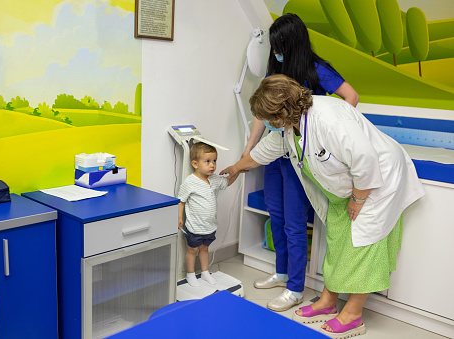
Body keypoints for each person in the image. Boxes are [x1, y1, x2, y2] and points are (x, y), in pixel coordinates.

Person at [221, 74, 424, 338]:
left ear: (283, 110)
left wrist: (358, 198)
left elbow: (366, 161)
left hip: (378, 184)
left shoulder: (330, 119)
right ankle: (328, 302)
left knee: (363, 246)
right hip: (349, 187)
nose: (269, 124)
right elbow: (264, 152)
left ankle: (353, 316)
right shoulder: (290, 126)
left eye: (270, 118)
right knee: (338, 240)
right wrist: (236, 168)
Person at [247, 13, 359, 313]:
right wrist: (249, 149)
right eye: (273, 46)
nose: (275, 52)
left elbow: (351, 97)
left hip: (301, 159)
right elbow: (262, 114)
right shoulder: (277, 67)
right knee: (278, 217)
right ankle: (281, 273)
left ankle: (295, 288)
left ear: (293, 43)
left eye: (279, 45)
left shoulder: (316, 70)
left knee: (295, 225)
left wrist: (325, 134)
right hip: (275, 155)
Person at [178, 142, 237, 287]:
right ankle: (190, 274)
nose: (212, 165)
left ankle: (205, 273)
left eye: (214, 161)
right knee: (192, 250)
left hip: (210, 225)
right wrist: (179, 218)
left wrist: (238, 171)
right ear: (195, 163)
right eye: (208, 161)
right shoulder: (190, 182)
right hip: (194, 226)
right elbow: (181, 201)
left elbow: (227, 182)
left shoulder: (215, 179)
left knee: (205, 248)